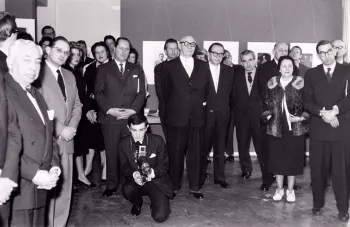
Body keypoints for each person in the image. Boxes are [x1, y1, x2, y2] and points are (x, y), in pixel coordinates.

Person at [5, 39, 61, 227]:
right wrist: (35, 174)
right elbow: (4, 145)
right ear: (10, 62)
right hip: (17, 189)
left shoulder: (35, 93)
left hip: (40, 188)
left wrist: (54, 166)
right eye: (26, 60)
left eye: (37, 61)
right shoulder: (4, 93)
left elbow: (49, 135)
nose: (33, 67)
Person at [37, 36, 82, 227]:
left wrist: (71, 127)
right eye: (59, 50)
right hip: (47, 141)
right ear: (47, 50)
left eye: (66, 52)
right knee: (47, 190)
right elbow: (37, 108)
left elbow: (77, 105)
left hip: (67, 140)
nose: (63, 55)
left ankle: (59, 224)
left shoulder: (69, 75)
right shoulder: (37, 74)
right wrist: (60, 129)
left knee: (64, 190)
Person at [304, 40, 350, 221]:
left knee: (341, 172)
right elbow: (307, 100)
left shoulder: (347, 70)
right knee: (318, 171)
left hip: (341, 128)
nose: (326, 55)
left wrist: (335, 111)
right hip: (319, 129)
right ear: (318, 55)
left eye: (329, 51)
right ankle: (317, 205)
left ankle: (343, 208)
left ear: (335, 51)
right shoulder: (311, 73)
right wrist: (323, 114)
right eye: (321, 53)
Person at [95, 36, 146, 197]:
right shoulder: (104, 69)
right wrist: (110, 110)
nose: (124, 51)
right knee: (111, 153)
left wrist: (132, 110)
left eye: (127, 49)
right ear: (114, 49)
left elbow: (141, 93)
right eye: (121, 48)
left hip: (131, 120)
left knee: (133, 152)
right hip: (110, 119)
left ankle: (133, 183)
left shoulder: (137, 69)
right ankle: (111, 185)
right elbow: (99, 92)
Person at [160, 36, 210, 199]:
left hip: (196, 117)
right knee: (175, 153)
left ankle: (195, 187)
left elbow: (207, 90)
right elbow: (165, 94)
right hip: (177, 118)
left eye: (192, 44)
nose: (189, 46)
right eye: (186, 43)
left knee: (196, 153)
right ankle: (174, 186)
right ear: (180, 46)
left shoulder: (203, 65)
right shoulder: (168, 66)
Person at [261, 55, 308, 202]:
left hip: (295, 128)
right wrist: (268, 115)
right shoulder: (272, 82)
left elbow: (309, 103)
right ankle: (279, 189)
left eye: (290, 65)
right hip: (276, 127)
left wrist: (301, 117)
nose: (287, 68)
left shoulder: (300, 83)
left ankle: (290, 191)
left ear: (293, 67)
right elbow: (264, 102)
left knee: (292, 160)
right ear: (279, 68)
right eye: (284, 66)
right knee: (277, 160)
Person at [119, 113, 173, 223]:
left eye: (141, 130)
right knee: (127, 189)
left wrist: (152, 173)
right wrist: (134, 174)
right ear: (128, 128)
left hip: (156, 181)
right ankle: (137, 202)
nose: (138, 134)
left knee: (160, 217)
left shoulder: (157, 141)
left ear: (147, 127)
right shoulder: (123, 144)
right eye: (134, 130)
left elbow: (164, 165)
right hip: (136, 182)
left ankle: (156, 201)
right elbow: (124, 166)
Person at [234, 50, 274, 191]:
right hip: (242, 118)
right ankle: (246, 170)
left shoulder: (263, 75)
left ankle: (267, 179)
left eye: (250, 60)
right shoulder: (237, 75)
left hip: (259, 118)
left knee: (262, 150)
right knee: (242, 146)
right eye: (244, 61)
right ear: (241, 62)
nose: (248, 64)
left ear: (255, 60)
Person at [200, 42, 234, 189]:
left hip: (222, 116)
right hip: (205, 115)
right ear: (209, 53)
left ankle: (219, 178)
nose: (218, 57)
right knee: (203, 148)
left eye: (221, 54)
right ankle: (199, 176)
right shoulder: (200, 68)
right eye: (215, 53)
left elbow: (232, 94)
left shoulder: (229, 71)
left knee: (220, 148)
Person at [63, 42, 94, 187]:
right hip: (70, 115)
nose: (76, 57)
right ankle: (71, 179)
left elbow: (82, 95)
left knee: (79, 147)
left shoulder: (76, 71)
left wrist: (88, 110)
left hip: (79, 113)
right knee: (71, 148)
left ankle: (80, 175)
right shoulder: (65, 71)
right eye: (73, 54)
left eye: (78, 54)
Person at [83, 41, 110, 183]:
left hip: (106, 109)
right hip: (92, 109)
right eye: (96, 52)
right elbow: (85, 91)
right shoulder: (89, 68)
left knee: (105, 141)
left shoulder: (113, 67)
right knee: (92, 139)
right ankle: (87, 169)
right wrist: (89, 110)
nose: (100, 55)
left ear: (108, 52)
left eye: (102, 51)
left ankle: (105, 169)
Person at [154, 38, 179, 137]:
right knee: (170, 140)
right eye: (170, 49)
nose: (173, 51)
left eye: (175, 48)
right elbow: (159, 91)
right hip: (166, 110)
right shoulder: (159, 68)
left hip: (183, 112)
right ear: (165, 51)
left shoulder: (185, 67)